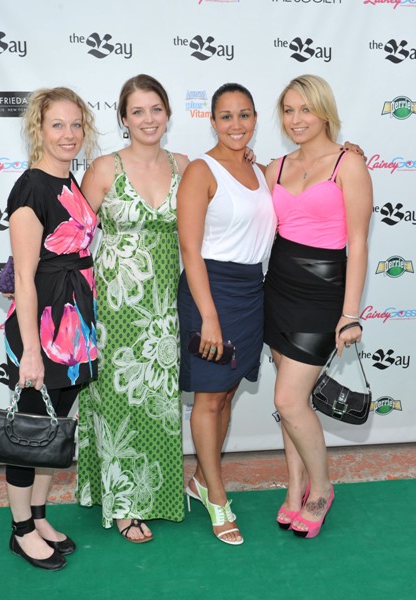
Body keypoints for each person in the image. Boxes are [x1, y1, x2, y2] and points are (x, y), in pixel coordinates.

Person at [76, 74, 190, 542]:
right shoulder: (105, 168)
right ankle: (123, 502)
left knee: (160, 404)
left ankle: (157, 495)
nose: (148, 119)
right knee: (118, 401)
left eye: (156, 109)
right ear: (123, 118)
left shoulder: (185, 165)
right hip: (114, 307)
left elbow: (240, 183)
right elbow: (73, 238)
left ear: (168, 113)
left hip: (163, 308)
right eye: (137, 111)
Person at [264, 74, 372, 538]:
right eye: (288, 110)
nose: (296, 119)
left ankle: (322, 489)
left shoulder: (349, 163)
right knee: (295, 404)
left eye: (305, 109)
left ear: (324, 111)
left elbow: (359, 243)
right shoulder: (275, 167)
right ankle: (295, 489)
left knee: (288, 400)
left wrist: (350, 314)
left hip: (324, 293)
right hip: (277, 289)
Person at [3, 87, 99, 569]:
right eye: (57, 124)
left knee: (54, 424)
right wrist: (31, 351)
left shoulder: (70, 180)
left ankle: (39, 516)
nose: (68, 134)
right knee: (29, 431)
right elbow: (23, 277)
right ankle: (20, 529)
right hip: (41, 326)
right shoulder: (30, 188)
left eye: (76, 124)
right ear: (38, 129)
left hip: (75, 323)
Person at [177, 83, 276, 545]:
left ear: (255, 118)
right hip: (210, 290)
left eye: (245, 114)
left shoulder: (259, 169)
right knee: (208, 398)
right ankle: (217, 498)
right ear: (212, 121)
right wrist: (209, 317)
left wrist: (347, 149)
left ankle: (201, 478)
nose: (237, 124)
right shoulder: (201, 170)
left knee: (227, 394)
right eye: (226, 116)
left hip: (251, 290)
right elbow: (190, 250)